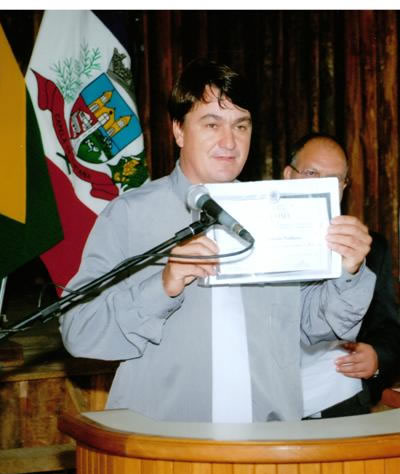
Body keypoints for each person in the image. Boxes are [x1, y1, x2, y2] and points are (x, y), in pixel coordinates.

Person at [60, 59, 375, 423]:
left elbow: (311, 326)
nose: (229, 142)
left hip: (267, 441)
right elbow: (79, 331)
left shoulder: (275, 212)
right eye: (212, 124)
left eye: (241, 126)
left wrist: (348, 273)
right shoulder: (130, 215)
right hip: (164, 441)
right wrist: (162, 286)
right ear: (178, 130)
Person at [285, 133, 400, 416]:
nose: (322, 186)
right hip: (266, 404)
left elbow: (389, 326)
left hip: (339, 400)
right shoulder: (253, 241)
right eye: (312, 173)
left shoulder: (369, 247)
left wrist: (377, 358)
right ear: (288, 176)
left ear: (344, 187)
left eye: (334, 179)